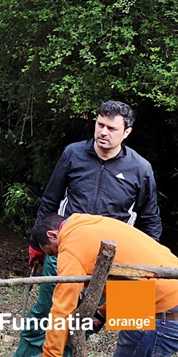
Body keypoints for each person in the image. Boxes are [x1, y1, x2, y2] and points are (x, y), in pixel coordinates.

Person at [15, 100, 162, 357]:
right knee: (45, 313)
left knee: (95, 318)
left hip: (111, 261)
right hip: (64, 249)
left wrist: (147, 267)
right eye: (100, 124)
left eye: (111, 128)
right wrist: (36, 243)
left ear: (126, 132)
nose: (103, 132)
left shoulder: (140, 169)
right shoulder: (73, 154)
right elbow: (50, 200)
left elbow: (150, 220)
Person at [31, 213, 178, 357]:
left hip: (163, 312)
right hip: (168, 291)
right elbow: (140, 284)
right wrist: (103, 313)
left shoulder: (70, 246)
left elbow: (62, 307)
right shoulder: (91, 222)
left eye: (52, 252)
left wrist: (51, 354)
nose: (57, 257)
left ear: (53, 235)